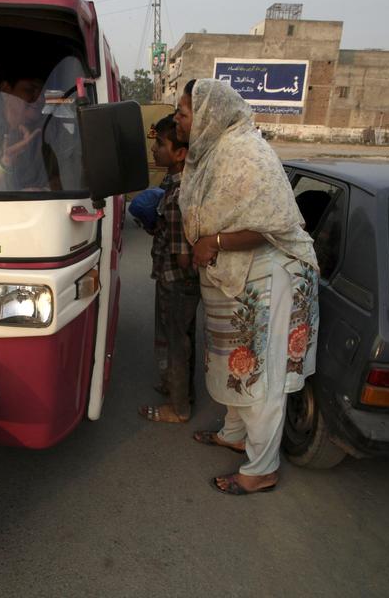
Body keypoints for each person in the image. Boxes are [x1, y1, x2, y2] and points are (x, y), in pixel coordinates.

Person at [174, 79, 319, 495]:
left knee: (262, 375)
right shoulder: (214, 152)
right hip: (237, 275)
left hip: (272, 277)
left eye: (183, 113)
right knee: (234, 361)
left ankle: (261, 469)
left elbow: (269, 225)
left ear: (206, 115)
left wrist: (212, 242)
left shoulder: (246, 155)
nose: (178, 120)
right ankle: (235, 434)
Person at [138, 115, 200, 424]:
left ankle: (178, 409)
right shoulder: (172, 185)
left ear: (180, 153)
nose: (154, 150)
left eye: (160, 144)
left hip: (176, 280)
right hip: (176, 279)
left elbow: (184, 257)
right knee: (181, 338)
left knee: (177, 342)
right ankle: (180, 391)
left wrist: (169, 240)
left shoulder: (178, 196)